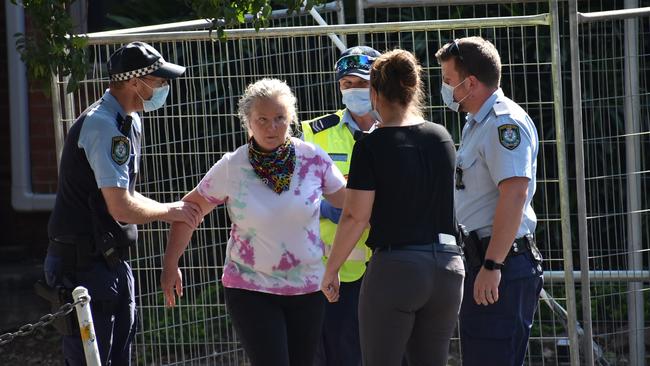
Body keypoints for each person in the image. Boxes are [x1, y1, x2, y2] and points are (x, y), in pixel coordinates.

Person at [161, 78, 347, 366]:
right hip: (251, 288)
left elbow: (351, 205)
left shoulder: (314, 159)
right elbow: (190, 209)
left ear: (292, 118)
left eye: (279, 118)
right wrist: (171, 263)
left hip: (308, 288)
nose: (272, 127)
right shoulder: (233, 166)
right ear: (247, 121)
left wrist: (334, 263)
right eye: (262, 119)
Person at [44, 41, 202, 365]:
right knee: (92, 359)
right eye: (158, 81)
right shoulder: (103, 125)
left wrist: (168, 209)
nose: (163, 87)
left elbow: (124, 192)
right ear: (135, 82)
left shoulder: (129, 120)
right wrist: (170, 211)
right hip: (82, 267)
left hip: (111, 261)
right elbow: (120, 207)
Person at [321, 49, 464, 366]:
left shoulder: (371, 145)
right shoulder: (440, 137)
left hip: (397, 267)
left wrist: (331, 270)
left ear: (374, 92)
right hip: (448, 268)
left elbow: (356, 215)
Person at [434, 36, 543, 366]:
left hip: (501, 265)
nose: (446, 89)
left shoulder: (501, 123)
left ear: (470, 83)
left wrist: (493, 265)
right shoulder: (476, 122)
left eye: (449, 81)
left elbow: (514, 194)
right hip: (484, 261)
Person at [301, 45, 380, 366]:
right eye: (346, 84)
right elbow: (298, 195)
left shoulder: (398, 129)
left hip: (387, 266)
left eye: (361, 83)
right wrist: (338, 208)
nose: (353, 90)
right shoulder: (313, 133)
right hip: (334, 270)